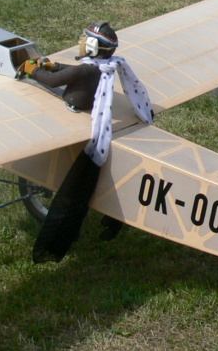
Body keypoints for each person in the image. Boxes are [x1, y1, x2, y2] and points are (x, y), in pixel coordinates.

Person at [20, 21, 154, 262]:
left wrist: (32, 70)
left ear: (93, 46)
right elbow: (68, 72)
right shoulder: (105, 68)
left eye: (85, 38)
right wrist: (53, 65)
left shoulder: (87, 71)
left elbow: (53, 81)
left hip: (76, 107)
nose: (81, 41)